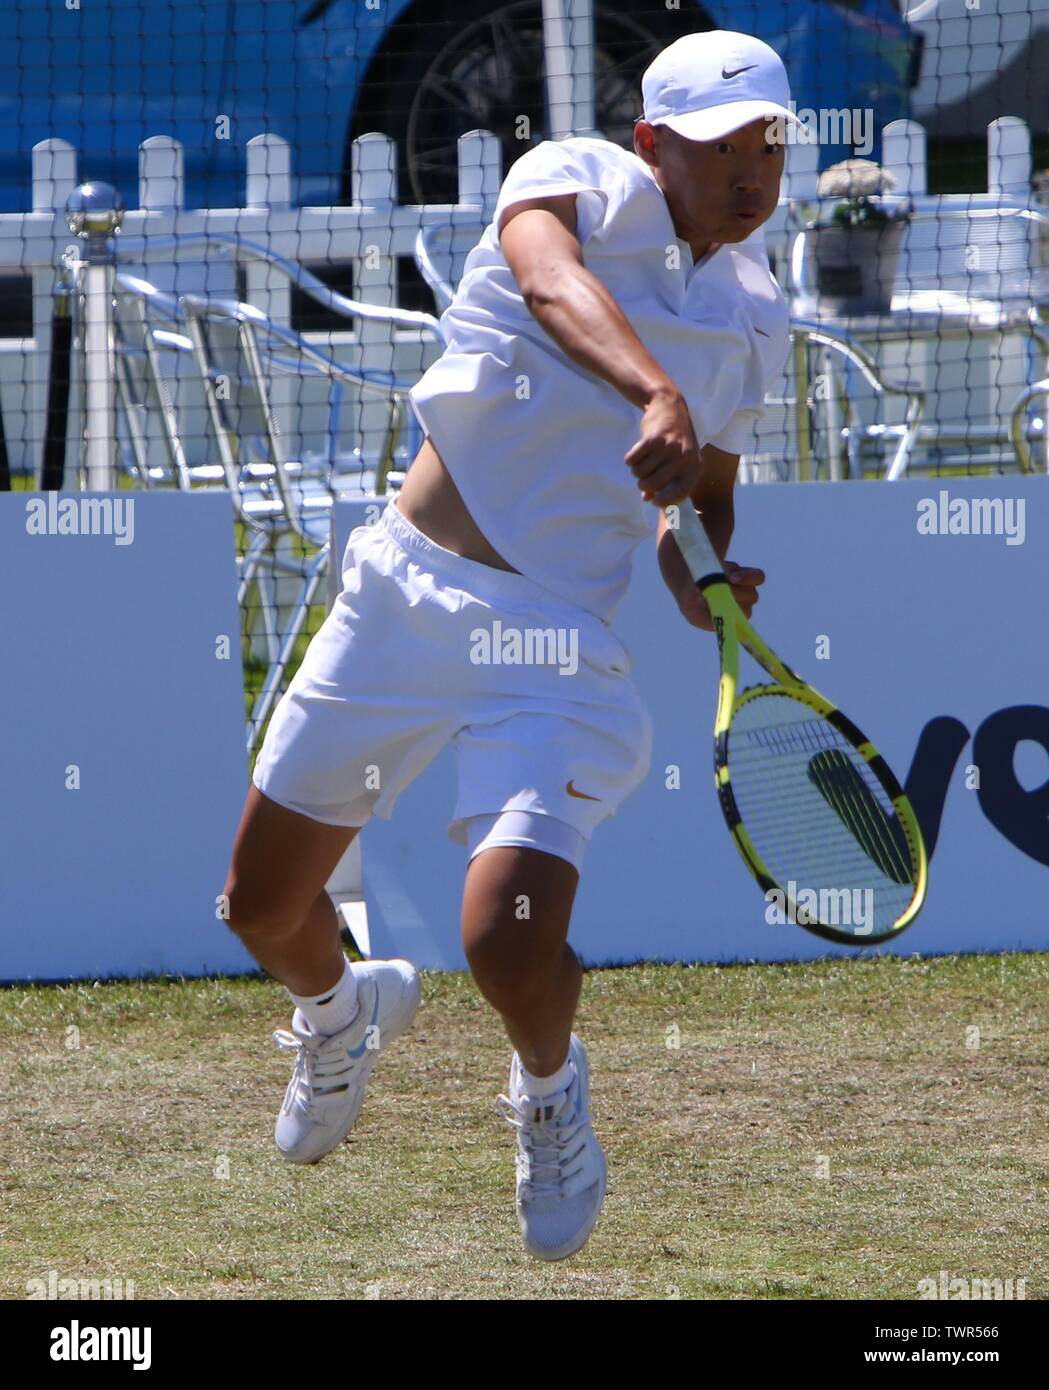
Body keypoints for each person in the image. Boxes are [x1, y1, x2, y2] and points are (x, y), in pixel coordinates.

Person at [222, 29, 798, 1262]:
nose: (750, 174)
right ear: (653, 146)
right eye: (718, 150)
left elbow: (698, 513)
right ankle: (338, 1011)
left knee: (503, 936)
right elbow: (548, 284)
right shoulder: (576, 177)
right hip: (400, 596)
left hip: (554, 652)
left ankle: (548, 1091)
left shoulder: (754, 315)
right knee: (260, 907)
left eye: (769, 147)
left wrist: (704, 576)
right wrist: (654, 391)